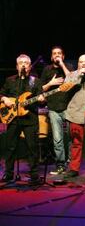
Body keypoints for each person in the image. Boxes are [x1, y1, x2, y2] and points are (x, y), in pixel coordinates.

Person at [0, 54, 45, 185]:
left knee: (32, 147)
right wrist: (4, 99)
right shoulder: (10, 80)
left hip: (30, 118)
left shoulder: (35, 82)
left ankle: (34, 174)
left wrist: (42, 100)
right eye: (21, 63)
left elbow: (42, 101)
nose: (24, 65)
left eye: (26, 63)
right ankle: (9, 174)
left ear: (30, 67)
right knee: (10, 147)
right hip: (13, 118)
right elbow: (1, 93)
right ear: (17, 66)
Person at [40, 46, 73, 174]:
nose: (57, 55)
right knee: (57, 139)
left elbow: (72, 79)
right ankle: (60, 164)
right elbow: (40, 89)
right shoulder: (47, 70)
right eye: (54, 54)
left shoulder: (68, 66)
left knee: (70, 137)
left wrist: (62, 64)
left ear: (63, 56)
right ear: (51, 57)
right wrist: (51, 83)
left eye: (59, 53)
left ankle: (70, 163)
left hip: (69, 108)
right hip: (53, 108)